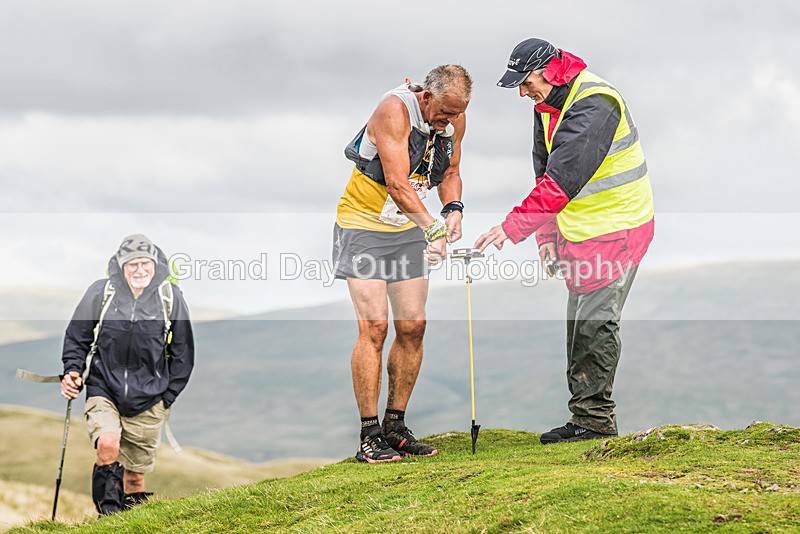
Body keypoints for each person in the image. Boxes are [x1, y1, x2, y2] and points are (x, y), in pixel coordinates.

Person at [475, 38, 654, 444]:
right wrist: (546, 235)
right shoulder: (548, 106)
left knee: (594, 326)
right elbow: (546, 171)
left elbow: (563, 180)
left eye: (525, 82)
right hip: (582, 231)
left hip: (617, 230)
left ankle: (593, 423)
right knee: (580, 325)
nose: (522, 91)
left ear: (551, 71)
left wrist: (511, 229)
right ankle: (585, 418)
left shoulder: (595, 104)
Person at [333, 65, 472, 462]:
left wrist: (454, 210)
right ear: (426, 97)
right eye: (444, 113)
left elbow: (451, 171)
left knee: (413, 326)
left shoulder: (454, 116)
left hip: (407, 226)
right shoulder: (394, 111)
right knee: (374, 327)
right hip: (362, 225)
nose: (450, 121)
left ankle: (395, 426)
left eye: (457, 114)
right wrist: (433, 229)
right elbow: (396, 184)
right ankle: (368, 434)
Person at [60, 234, 194, 514]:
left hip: (150, 397)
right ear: (121, 266)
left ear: (156, 265)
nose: (140, 270)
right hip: (103, 388)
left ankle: (131, 523)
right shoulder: (102, 292)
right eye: (133, 264)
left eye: (145, 263)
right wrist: (72, 370)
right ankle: (108, 518)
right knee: (107, 444)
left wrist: (166, 397)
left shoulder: (170, 297)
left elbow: (183, 351)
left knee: (135, 476)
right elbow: (77, 336)